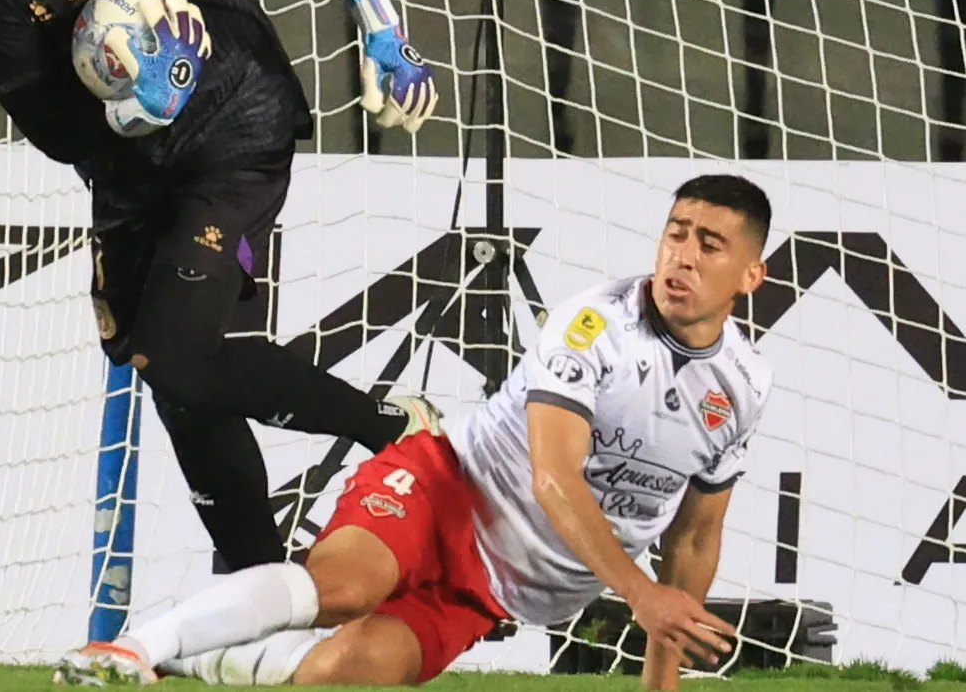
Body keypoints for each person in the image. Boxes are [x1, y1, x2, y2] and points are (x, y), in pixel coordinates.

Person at [0, 0, 441, 576]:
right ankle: (253, 586)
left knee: (178, 354)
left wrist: (378, 20)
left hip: (237, 127)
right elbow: (51, 129)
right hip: (129, 172)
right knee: (170, 369)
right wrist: (133, 105)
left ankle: (391, 430)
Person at [57, 174, 774, 691]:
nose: (680, 256)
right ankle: (130, 648)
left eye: (708, 245)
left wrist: (661, 681)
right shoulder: (595, 325)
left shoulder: (743, 385)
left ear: (749, 274)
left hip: (495, 591)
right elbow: (551, 477)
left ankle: (194, 657)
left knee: (350, 674)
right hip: (445, 486)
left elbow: (691, 538)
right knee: (343, 585)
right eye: (674, 234)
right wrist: (640, 596)